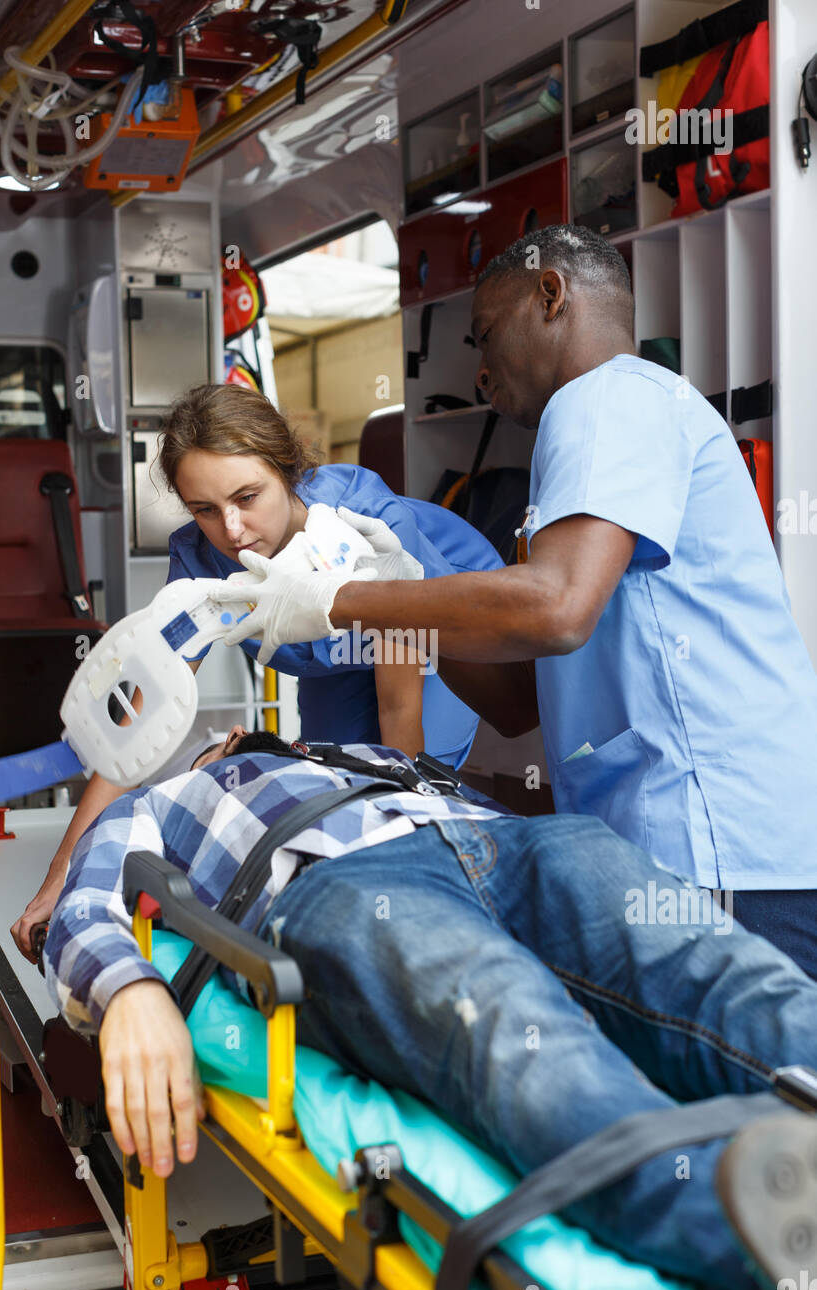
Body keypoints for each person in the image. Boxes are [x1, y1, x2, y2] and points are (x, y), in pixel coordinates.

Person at [219, 224, 817, 979]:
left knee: (761, 1091)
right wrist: (401, 589)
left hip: (721, 847)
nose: (480, 373)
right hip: (683, 849)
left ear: (551, 293)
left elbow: (558, 607)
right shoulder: (602, 431)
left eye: (484, 335)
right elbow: (515, 701)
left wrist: (341, 598)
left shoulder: (607, 395)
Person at [43, 726, 817, 1290]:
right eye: (204, 741)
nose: (224, 737)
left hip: (518, 845)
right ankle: (752, 1231)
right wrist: (133, 994)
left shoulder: (368, 754)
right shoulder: (169, 800)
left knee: (723, 973)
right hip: (342, 884)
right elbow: (83, 906)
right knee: (513, 1029)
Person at [10, 383, 503, 962]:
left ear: (287, 469)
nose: (233, 530)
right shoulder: (197, 561)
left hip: (432, 637)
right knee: (333, 794)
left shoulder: (368, 522)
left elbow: (400, 717)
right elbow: (134, 729)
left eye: (248, 496)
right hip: (334, 661)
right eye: (205, 510)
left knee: (401, 801)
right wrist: (59, 877)